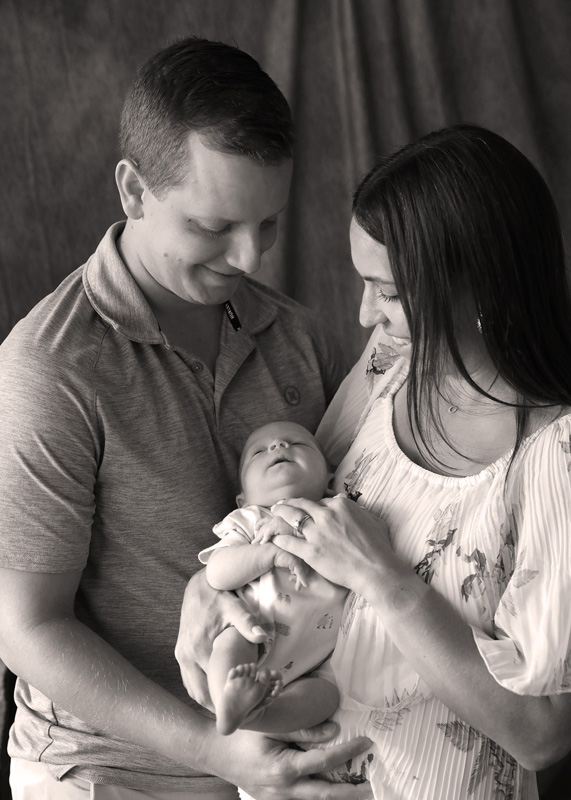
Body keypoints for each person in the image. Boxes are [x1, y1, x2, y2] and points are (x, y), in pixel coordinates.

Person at [0, 36, 376, 800]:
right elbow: (27, 629)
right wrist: (220, 754)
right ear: (133, 191)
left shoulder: (300, 337)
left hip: (284, 750)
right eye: (213, 227)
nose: (248, 258)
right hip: (104, 770)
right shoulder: (49, 368)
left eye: (267, 224)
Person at [177, 124, 571, 799]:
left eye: (387, 292)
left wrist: (385, 578)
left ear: (480, 286)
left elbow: (542, 733)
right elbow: (290, 513)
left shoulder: (554, 456)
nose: (364, 315)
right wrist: (207, 590)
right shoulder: (391, 365)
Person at [200, 420, 348, 736]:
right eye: (258, 452)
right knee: (230, 640)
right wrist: (270, 554)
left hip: (315, 662)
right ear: (243, 498)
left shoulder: (335, 515)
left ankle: (259, 716)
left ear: (330, 479)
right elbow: (217, 572)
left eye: (298, 443)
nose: (278, 445)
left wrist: (298, 528)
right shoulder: (250, 518)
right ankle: (229, 705)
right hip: (254, 628)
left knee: (327, 696)